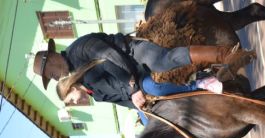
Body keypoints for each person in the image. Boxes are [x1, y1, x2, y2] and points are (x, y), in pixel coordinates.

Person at [33, 32, 241, 109]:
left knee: (162, 62)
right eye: (51, 78)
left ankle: (222, 57)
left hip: (133, 54)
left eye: (51, 73)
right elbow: (122, 99)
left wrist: (133, 88)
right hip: (136, 81)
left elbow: (109, 56)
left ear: (51, 58)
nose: (55, 77)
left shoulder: (79, 49)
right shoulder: (82, 78)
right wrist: (141, 109)